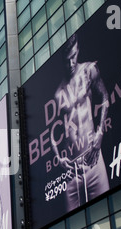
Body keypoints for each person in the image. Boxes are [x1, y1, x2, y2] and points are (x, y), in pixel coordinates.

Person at [51, 34, 110, 211]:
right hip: (71, 172)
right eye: (66, 60)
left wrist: (100, 134)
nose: (70, 63)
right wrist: (58, 157)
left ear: (78, 50)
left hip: (93, 161)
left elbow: (105, 97)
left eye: (73, 57)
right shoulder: (58, 93)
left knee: (108, 212)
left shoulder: (89, 70)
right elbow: (51, 133)